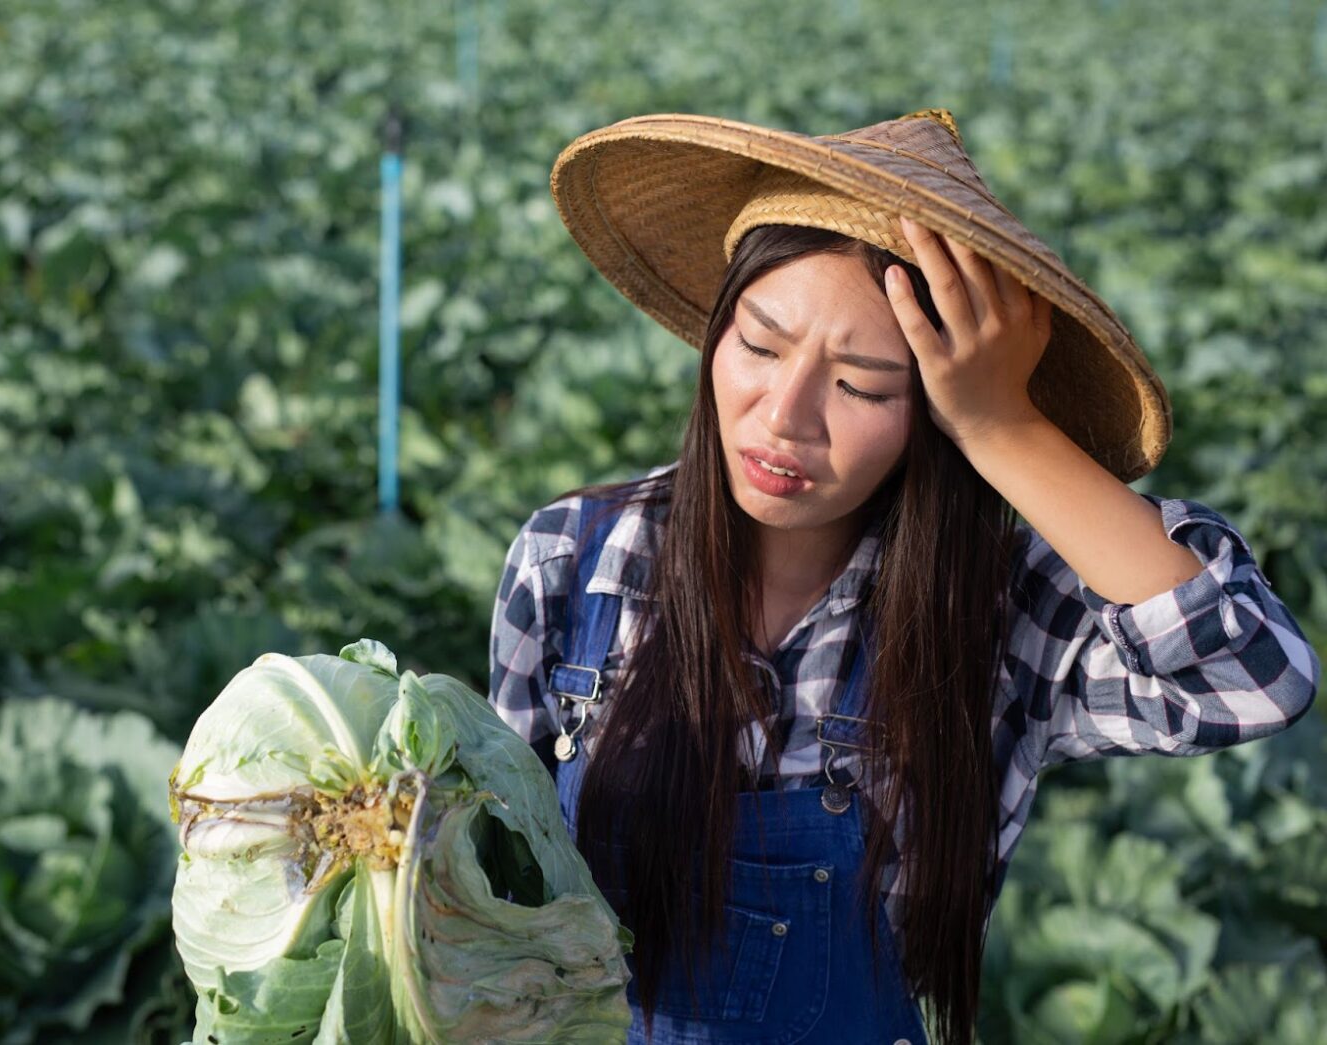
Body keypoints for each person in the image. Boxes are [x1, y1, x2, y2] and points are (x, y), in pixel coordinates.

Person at [486, 108, 1320, 1045]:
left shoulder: (996, 616)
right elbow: (500, 883)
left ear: (937, 414)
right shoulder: (573, 560)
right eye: (760, 345)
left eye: (863, 386)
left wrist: (1005, 426)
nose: (785, 416)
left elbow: (1253, 675)